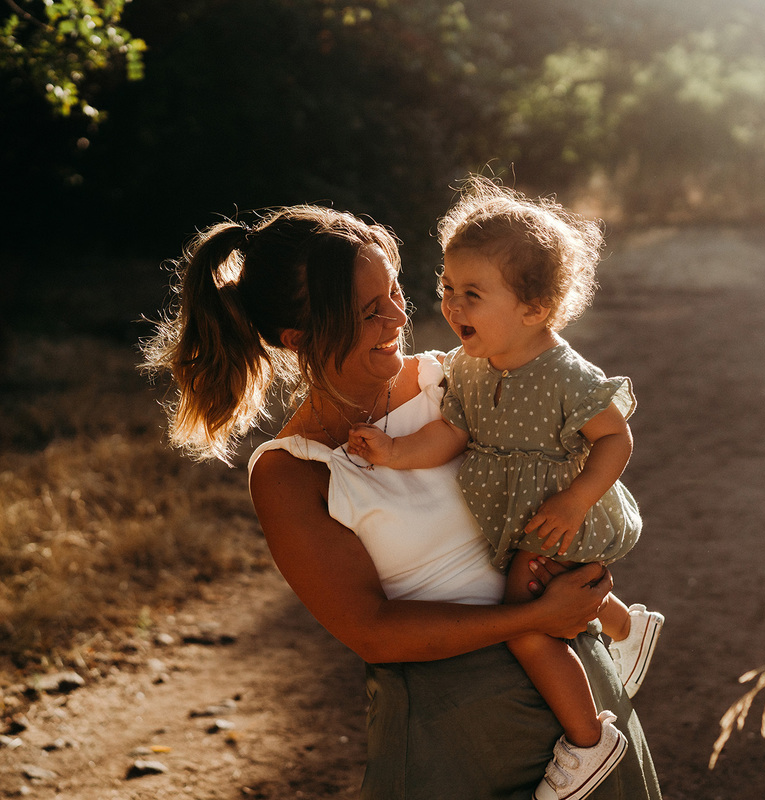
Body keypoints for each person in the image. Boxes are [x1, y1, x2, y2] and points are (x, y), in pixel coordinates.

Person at [140, 204, 661, 800]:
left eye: (394, 291)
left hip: (586, 689)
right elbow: (372, 631)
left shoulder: (463, 379)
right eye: (369, 311)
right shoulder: (292, 472)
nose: (399, 315)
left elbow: (571, 471)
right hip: (457, 735)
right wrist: (535, 618)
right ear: (298, 338)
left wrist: (583, 581)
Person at [348, 177, 664, 799]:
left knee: (525, 625)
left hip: (564, 514)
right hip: (526, 517)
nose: (452, 305)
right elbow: (451, 434)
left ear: (534, 308)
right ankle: (626, 626)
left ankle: (588, 741)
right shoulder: (470, 367)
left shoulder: (566, 374)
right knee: (543, 597)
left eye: (472, 294)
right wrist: (394, 452)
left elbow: (615, 438)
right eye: (447, 287)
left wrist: (575, 500)